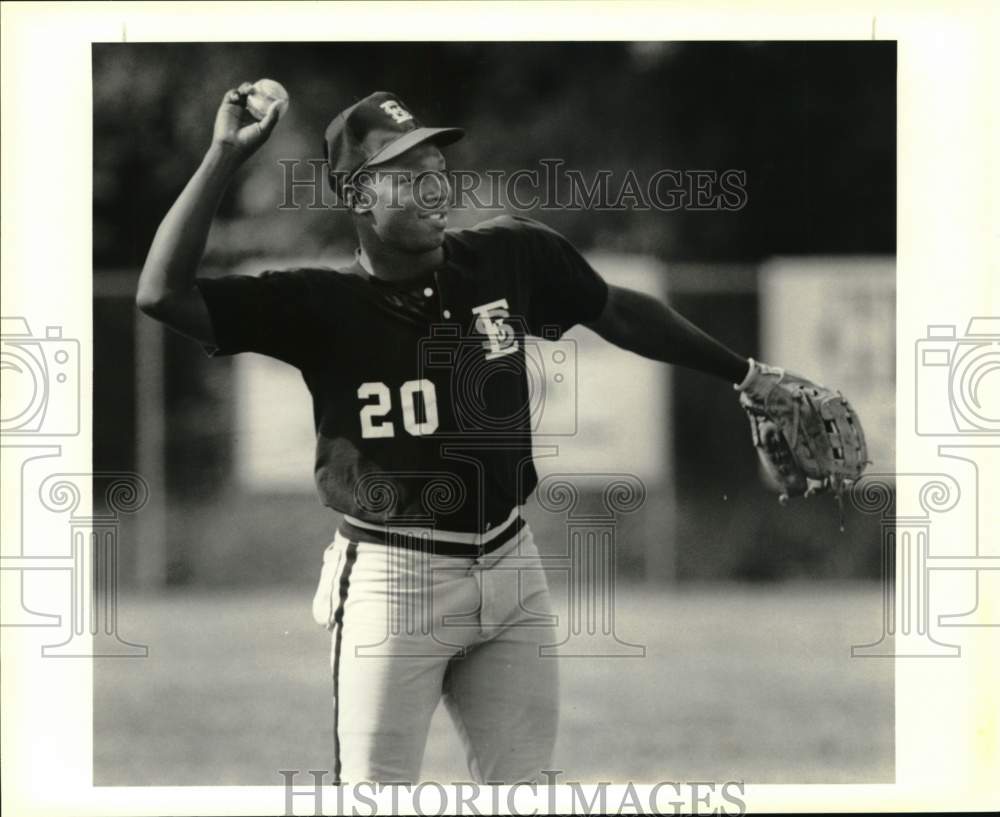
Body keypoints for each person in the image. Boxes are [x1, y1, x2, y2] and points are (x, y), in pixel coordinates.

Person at [136, 85, 754, 784]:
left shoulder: (509, 255)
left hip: (511, 563)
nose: (436, 187)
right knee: (374, 795)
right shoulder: (316, 304)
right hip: (392, 580)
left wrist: (749, 375)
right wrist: (223, 154)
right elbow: (162, 294)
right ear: (359, 197)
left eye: (438, 169)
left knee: (524, 793)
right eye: (409, 173)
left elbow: (617, 312)